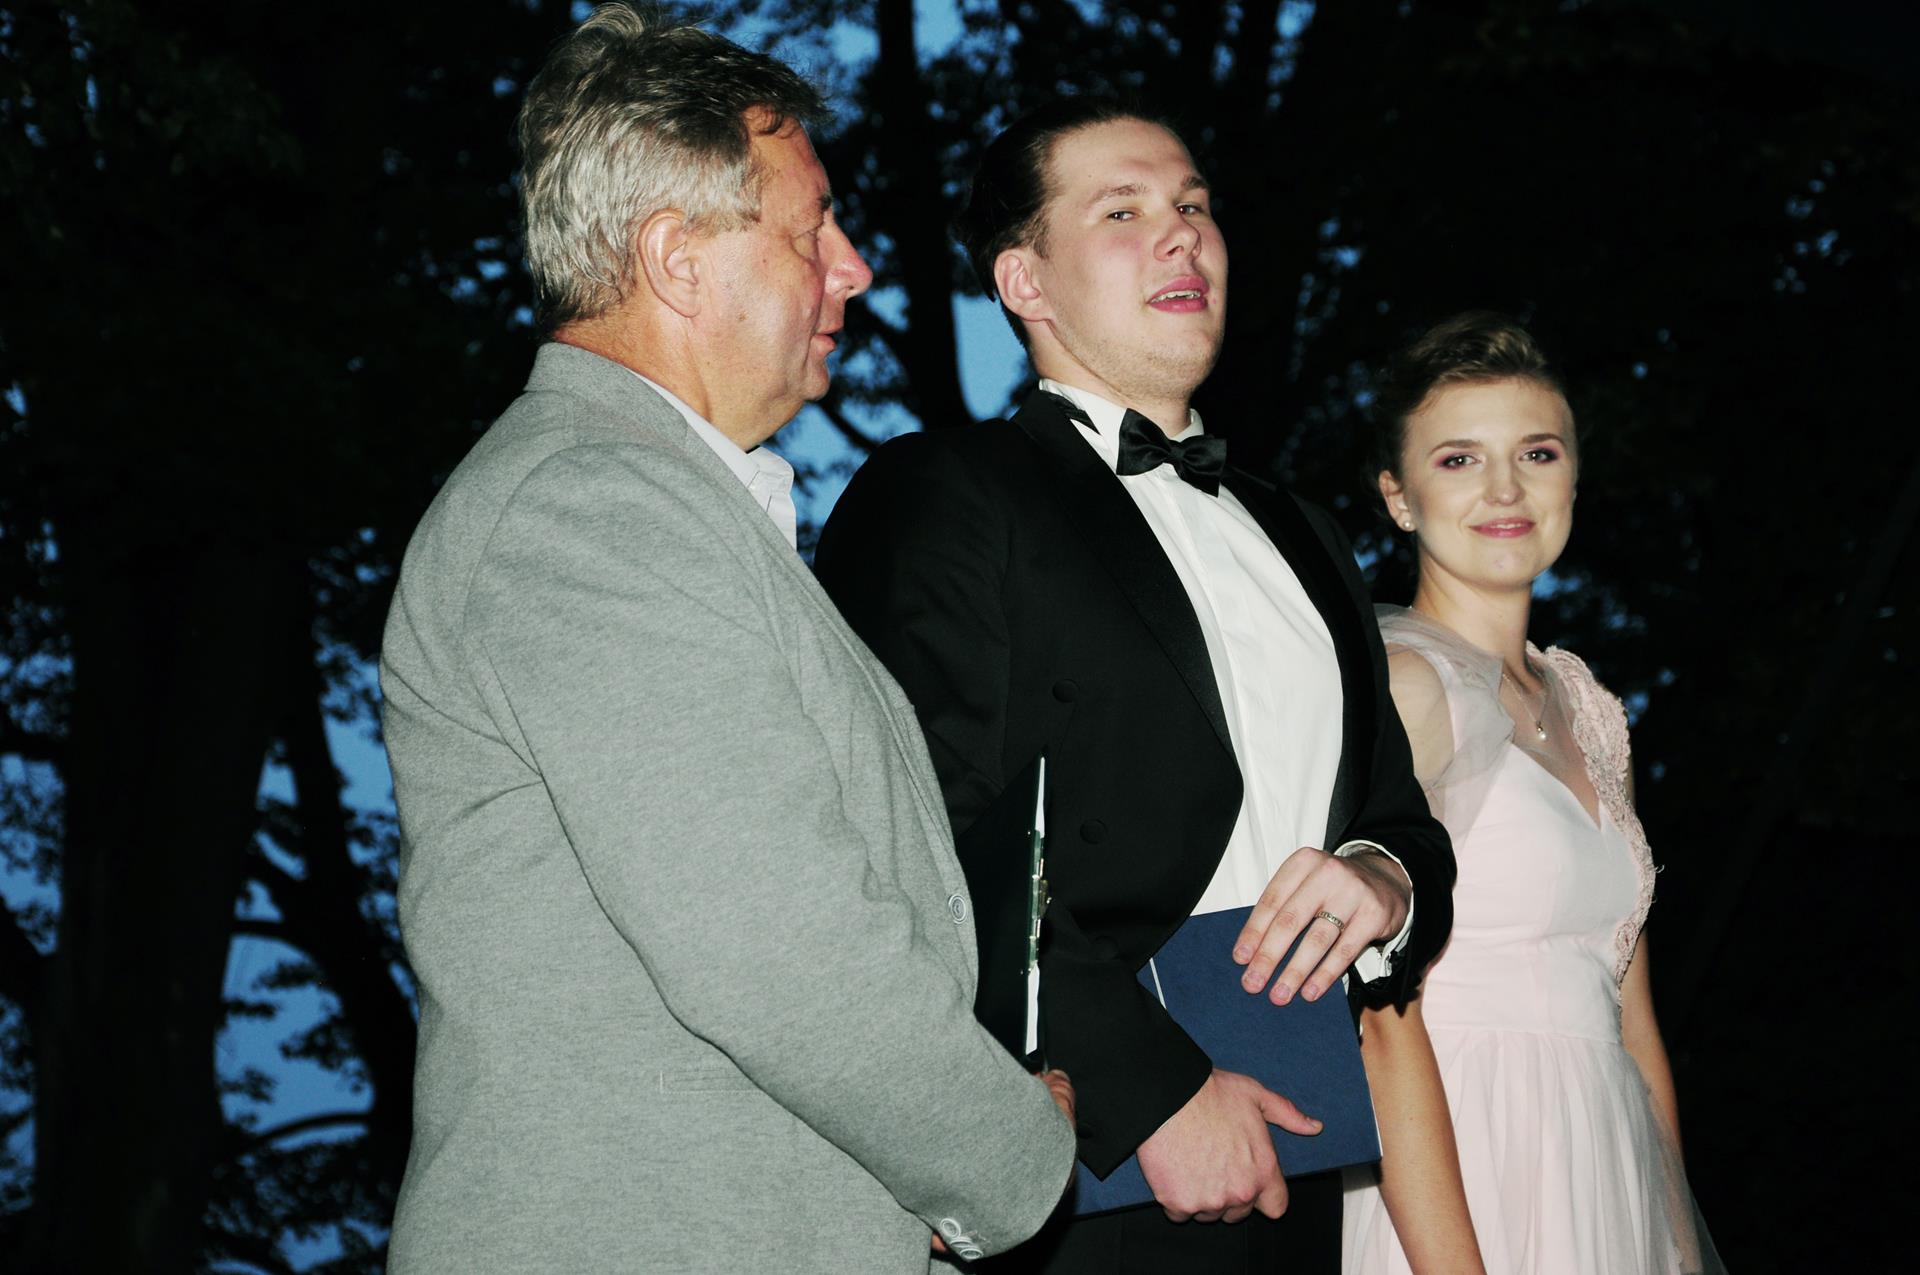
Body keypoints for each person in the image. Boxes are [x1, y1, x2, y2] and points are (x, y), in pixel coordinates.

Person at [377, 6, 1079, 1271]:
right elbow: (781, 948)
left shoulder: (649, 505)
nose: (853, 268)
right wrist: (1013, 1154)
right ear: (678, 259)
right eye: (810, 229)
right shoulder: (589, 509)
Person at [813, 97, 1454, 1274]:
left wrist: (1386, 879)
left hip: (1306, 1134)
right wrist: (1150, 1092)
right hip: (1085, 1158)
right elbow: (919, 837)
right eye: (1123, 212)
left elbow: (1396, 815)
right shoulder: (944, 492)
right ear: (1026, 282)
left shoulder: (1305, 532)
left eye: (1194, 206)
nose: (1181, 233)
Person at [1340, 312, 1722, 1274]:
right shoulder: (1407, 687)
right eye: (1460, 459)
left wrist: (1675, 1241)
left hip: (1605, 1165)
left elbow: (1631, 1015)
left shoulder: (1588, 706)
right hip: (1463, 1159)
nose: (1506, 489)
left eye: (1537, 453)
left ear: (1573, 479)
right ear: (1399, 497)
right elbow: (1374, 1016)